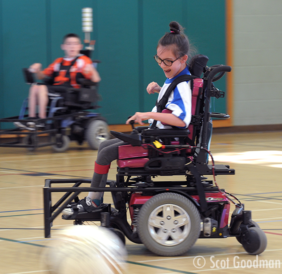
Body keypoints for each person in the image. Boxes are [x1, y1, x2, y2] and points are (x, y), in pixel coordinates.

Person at [63, 21, 192, 215]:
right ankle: (94, 198)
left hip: (163, 145)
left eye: (167, 61)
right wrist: (160, 89)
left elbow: (181, 120)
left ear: (183, 59)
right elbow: (173, 103)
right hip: (159, 138)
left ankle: (94, 201)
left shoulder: (181, 84)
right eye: (159, 60)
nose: (162, 65)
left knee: (106, 153)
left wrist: (147, 114)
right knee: (103, 146)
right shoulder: (176, 78)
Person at [15, 33, 101, 129]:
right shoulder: (58, 61)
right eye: (68, 44)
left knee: (42, 87)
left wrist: (92, 70)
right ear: (63, 47)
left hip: (71, 92)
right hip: (56, 89)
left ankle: (41, 120)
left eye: (75, 44)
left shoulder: (83, 61)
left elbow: (96, 80)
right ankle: (31, 119)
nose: (72, 46)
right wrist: (38, 69)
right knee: (34, 87)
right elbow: (42, 76)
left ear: (80, 46)